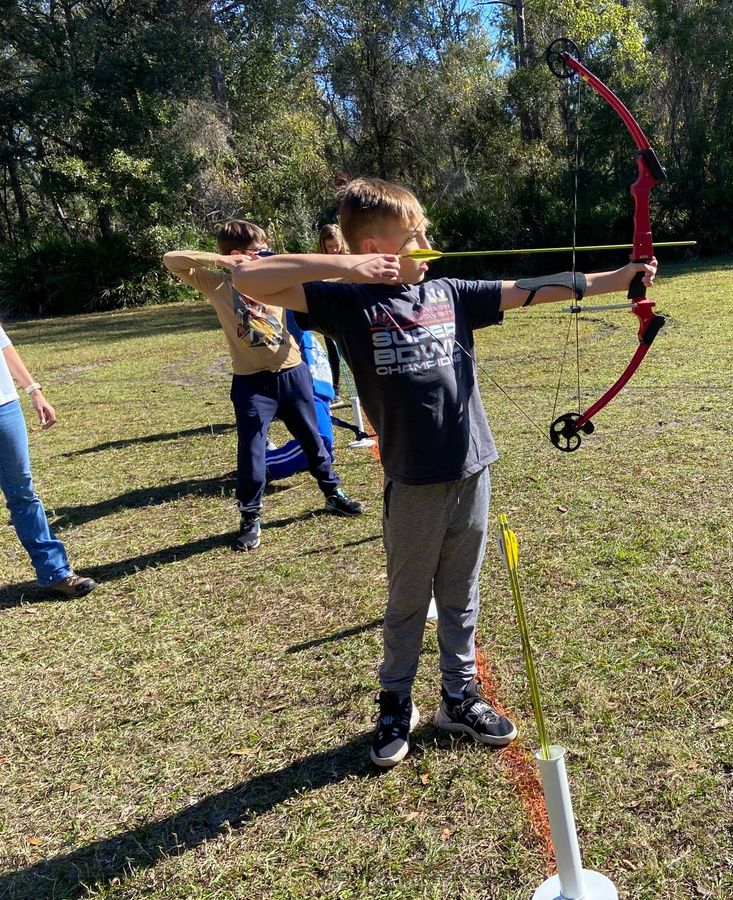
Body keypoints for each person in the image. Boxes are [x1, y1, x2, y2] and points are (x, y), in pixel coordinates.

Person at [232, 178, 657, 767]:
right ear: (377, 247)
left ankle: (458, 698)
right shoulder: (346, 301)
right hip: (412, 481)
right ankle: (394, 702)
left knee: (460, 594)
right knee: (408, 599)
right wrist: (351, 268)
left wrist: (621, 277)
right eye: (416, 237)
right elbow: (249, 278)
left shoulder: (451, 292)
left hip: (471, 468)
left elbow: (530, 288)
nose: (430, 243)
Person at [163, 220, 363, 552]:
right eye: (259, 250)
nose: (266, 254)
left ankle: (332, 494)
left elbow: (330, 276)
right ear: (238, 254)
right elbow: (172, 259)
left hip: (294, 375)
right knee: (253, 452)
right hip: (253, 385)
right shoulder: (218, 285)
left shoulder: (277, 280)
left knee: (315, 443)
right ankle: (250, 518)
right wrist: (223, 262)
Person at [0, 325, 96, 597]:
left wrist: (34, 391)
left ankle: (54, 572)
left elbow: (3, 344)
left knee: (23, 493)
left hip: (5, 407)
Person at [316, 224, 348, 405]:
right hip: (330, 315)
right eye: (330, 247)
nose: (335, 250)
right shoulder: (320, 263)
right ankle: (335, 390)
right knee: (334, 354)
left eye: (337, 245)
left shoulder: (349, 260)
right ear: (323, 245)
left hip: (350, 312)